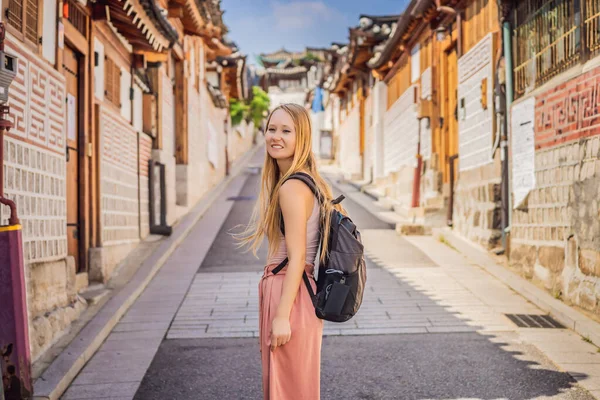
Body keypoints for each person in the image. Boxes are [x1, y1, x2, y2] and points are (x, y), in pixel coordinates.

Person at [236, 103, 344, 400]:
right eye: (272, 129)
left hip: (290, 294)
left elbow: (298, 257)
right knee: (296, 389)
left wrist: (281, 316)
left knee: (285, 391)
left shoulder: (292, 188)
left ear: (302, 138)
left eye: (286, 131)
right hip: (300, 294)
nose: (275, 137)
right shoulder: (306, 182)